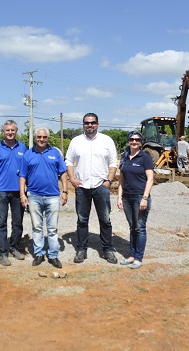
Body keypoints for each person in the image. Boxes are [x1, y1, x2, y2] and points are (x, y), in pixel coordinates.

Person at [65, 113, 118, 264]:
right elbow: (68, 161)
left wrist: (108, 181)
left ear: (98, 124)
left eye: (93, 122)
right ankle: (81, 249)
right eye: (87, 123)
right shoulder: (76, 141)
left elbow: (113, 162)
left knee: (105, 220)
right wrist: (72, 179)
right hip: (82, 187)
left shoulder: (106, 140)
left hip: (101, 186)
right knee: (82, 220)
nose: (90, 125)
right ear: (83, 124)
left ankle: (107, 250)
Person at [19, 128, 68, 268]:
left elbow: (63, 173)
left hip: (52, 196)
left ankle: (53, 255)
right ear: (35, 137)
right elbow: (22, 176)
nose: (42, 139)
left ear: (48, 138)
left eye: (44, 137)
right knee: (37, 227)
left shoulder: (55, 153)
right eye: (39, 136)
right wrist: (22, 194)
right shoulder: (28, 154)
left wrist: (65, 191)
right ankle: (39, 253)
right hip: (34, 196)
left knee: (52, 229)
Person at [0, 120, 27, 266]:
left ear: (16, 131)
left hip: (18, 191)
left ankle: (14, 247)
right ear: (3, 132)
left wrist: (25, 190)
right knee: (1, 222)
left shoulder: (23, 147)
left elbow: (26, 170)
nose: (10, 132)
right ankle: (2, 252)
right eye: (7, 130)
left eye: (13, 130)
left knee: (17, 222)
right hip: (2, 190)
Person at [117, 131, 154, 270]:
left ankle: (138, 258)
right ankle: (132, 255)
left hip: (140, 196)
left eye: (137, 140)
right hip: (127, 196)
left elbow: (150, 178)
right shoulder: (125, 156)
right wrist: (119, 197)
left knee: (140, 228)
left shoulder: (145, 157)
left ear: (141, 142)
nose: (134, 142)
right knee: (132, 227)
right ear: (128, 141)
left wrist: (145, 198)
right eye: (132, 139)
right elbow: (121, 178)